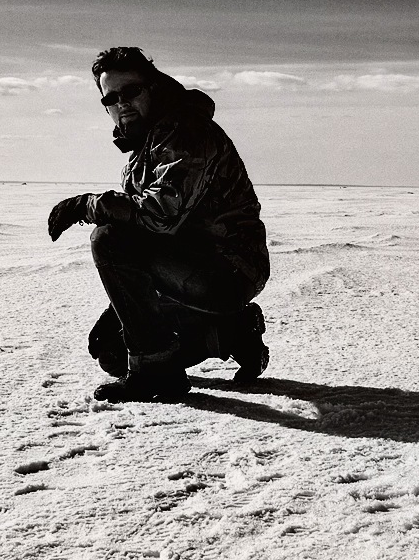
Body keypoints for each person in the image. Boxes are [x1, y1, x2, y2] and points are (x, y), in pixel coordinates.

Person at [48, 47, 270, 403]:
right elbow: (148, 236)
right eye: (111, 98)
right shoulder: (145, 146)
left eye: (131, 91)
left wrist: (86, 205)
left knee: (109, 239)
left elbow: (160, 214)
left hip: (229, 269)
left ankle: (158, 375)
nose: (122, 103)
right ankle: (231, 333)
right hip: (185, 268)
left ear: (154, 87)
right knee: (113, 353)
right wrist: (120, 312)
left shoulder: (187, 131)